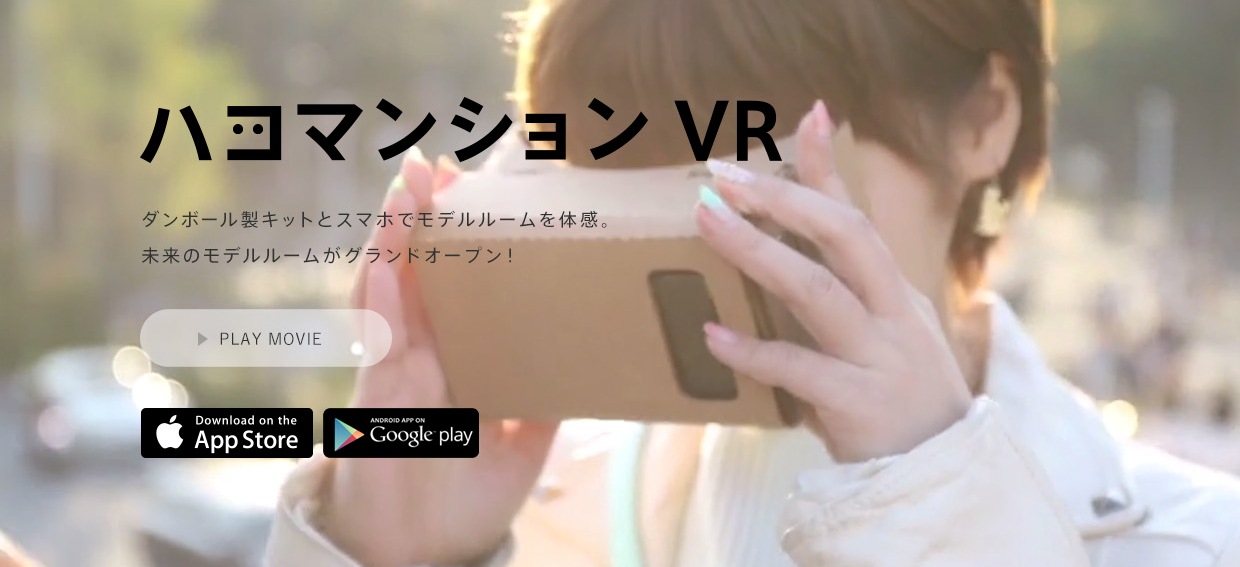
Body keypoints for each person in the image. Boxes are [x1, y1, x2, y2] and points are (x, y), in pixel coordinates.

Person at [265, 0, 1240, 565]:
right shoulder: (526, 521)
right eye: (635, 159)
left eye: (764, 161)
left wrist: (935, 509)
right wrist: (382, 550)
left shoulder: (1194, 543)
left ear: (984, 116)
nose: (706, 228)